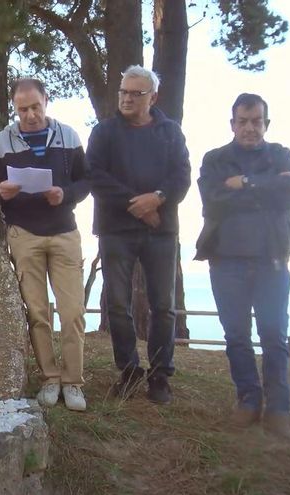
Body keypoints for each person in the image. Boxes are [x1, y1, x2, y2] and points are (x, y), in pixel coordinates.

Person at [195, 93, 290, 439]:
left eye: (256, 121)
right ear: (232, 124)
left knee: (274, 335)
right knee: (237, 336)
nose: (249, 128)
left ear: (266, 124)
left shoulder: (282, 155)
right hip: (226, 261)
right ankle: (248, 398)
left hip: (272, 259)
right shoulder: (215, 160)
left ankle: (278, 408)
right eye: (242, 121)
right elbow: (213, 201)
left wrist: (244, 184)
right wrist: (267, 190)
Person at [0, 78, 90, 411]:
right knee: (38, 312)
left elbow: (86, 181)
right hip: (24, 234)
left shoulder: (68, 135)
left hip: (64, 232)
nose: (30, 115)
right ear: (14, 107)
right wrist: (1, 192)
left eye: (35, 107)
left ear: (46, 100)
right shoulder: (0, 142)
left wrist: (65, 194)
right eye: (22, 109)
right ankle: (50, 378)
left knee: (72, 312)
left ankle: (73, 382)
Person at [86, 65, 190, 404]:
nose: (127, 98)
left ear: (153, 97)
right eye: (123, 92)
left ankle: (160, 375)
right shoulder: (104, 132)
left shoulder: (170, 132)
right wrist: (139, 204)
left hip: (161, 232)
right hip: (116, 230)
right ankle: (129, 370)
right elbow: (95, 176)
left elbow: (182, 176)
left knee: (164, 306)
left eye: (136, 93)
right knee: (118, 304)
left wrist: (158, 198)